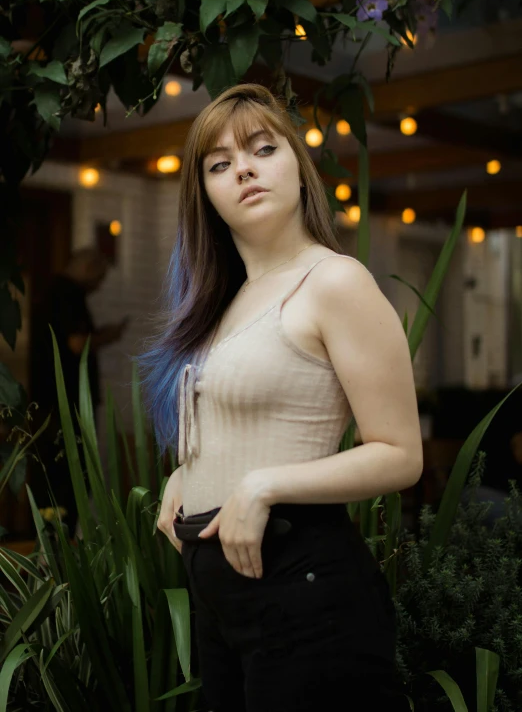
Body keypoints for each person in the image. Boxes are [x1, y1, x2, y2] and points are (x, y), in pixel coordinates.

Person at [137, 84, 423, 711]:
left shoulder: (335, 282)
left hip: (302, 583)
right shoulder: (220, 304)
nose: (243, 168)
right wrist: (186, 473)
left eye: (263, 149)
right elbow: (246, 421)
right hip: (220, 594)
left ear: (298, 164)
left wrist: (262, 485)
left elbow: (401, 454)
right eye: (219, 165)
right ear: (207, 197)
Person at [30, 247, 129, 535]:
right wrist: (107, 336)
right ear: (88, 269)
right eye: (98, 279)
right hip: (66, 405)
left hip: (54, 403)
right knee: (68, 475)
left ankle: (55, 542)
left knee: (58, 475)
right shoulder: (66, 293)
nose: (97, 287)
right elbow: (76, 344)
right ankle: (59, 545)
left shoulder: (53, 292)